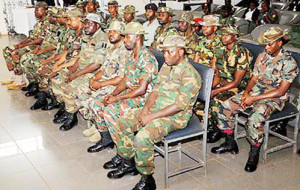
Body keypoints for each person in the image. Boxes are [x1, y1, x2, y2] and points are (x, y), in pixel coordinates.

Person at [104, 34, 202, 190]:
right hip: (156, 109)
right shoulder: (167, 67)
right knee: (122, 122)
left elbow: (179, 106)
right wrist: (145, 110)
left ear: (181, 52)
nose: (165, 56)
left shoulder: (190, 75)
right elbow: (155, 91)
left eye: (170, 52)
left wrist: (151, 117)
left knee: (142, 138)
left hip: (175, 117)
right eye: (164, 52)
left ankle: (147, 178)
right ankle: (128, 162)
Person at [211, 27, 298, 173]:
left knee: (254, 120)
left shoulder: (289, 62)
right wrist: (246, 93)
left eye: (269, 44)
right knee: (224, 107)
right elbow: (253, 78)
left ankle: (254, 153)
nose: (266, 47)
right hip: (255, 92)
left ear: (279, 43)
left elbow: (281, 91)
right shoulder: (262, 56)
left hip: (274, 98)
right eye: (265, 44)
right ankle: (230, 143)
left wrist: (253, 98)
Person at [87, 22, 158, 153]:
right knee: (97, 104)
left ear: (137, 37)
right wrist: (113, 94)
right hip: (130, 93)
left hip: (143, 98)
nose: (124, 39)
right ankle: (106, 139)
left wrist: (117, 98)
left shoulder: (147, 58)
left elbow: (142, 90)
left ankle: (125, 154)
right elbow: (125, 79)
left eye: (127, 36)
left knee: (110, 111)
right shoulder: (132, 55)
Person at [207, 24, 253, 143]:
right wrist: (209, 88)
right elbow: (217, 74)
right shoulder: (220, 50)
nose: (224, 37)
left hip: (241, 87)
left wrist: (216, 91)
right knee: (205, 94)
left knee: (217, 99)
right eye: (223, 34)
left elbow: (236, 82)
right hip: (224, 83)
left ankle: (222, 131)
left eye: (227, 35)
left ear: (235, 36)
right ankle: (213, 124)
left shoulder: (242, 53)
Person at [2, 1, 49, 90]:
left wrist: (24, 46)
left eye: (36, 10)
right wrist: (20, 44)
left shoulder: (47, 23)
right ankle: (14, 76)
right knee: (7, 49)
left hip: (39, 46)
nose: (35, 13)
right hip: (32, 43)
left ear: (43, 11)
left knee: (15, 53)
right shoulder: (38, 22)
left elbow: (40, 40)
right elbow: (31, 37)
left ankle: (20, 80)